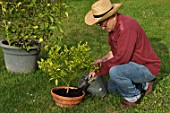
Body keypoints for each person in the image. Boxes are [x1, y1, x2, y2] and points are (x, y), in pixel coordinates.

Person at [84, 0, 161, 108]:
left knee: (115, 72)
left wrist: (99, 70)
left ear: (112, 15)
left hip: (146, 66)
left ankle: (133, 97)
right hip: (133, 64)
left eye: (103, 23)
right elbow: (115, 52)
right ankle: (144, 84)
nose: (102, 28)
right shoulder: (113, 29)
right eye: (99, 24)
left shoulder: (126, 27)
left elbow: (121, 58)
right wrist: (102, 60)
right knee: (112, 88)